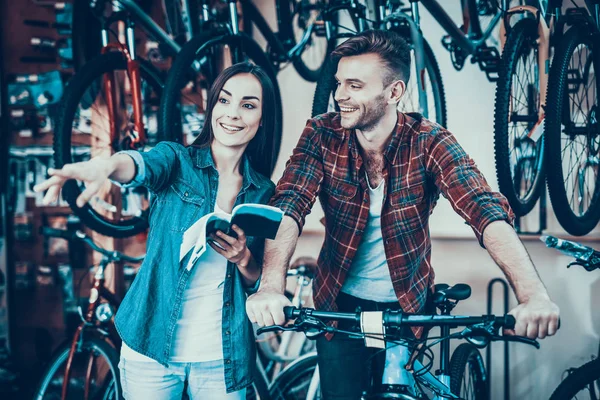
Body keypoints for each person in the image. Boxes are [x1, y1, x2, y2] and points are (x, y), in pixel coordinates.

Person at [245, 30, 560, 399]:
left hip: (407, 305)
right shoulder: (320, 134)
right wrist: (269, 287)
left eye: (355, 85)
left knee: (398, 392)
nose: (340, 95)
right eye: (339, 83)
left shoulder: (430, 141)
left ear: (394, 93)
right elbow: (290, 204)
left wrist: (533, 295)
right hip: (338, 307)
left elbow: (483, 210)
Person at [34, 62, 278, 399]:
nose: (233, 114)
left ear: (262, 118)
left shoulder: (264, 191)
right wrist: (106, 165)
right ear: (211, 106)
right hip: (151, 347)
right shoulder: (178, 161)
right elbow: (140, 164)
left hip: (221, 356)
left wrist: (243, 257)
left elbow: (257, 278)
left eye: (248, 105)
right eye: (224, 100)